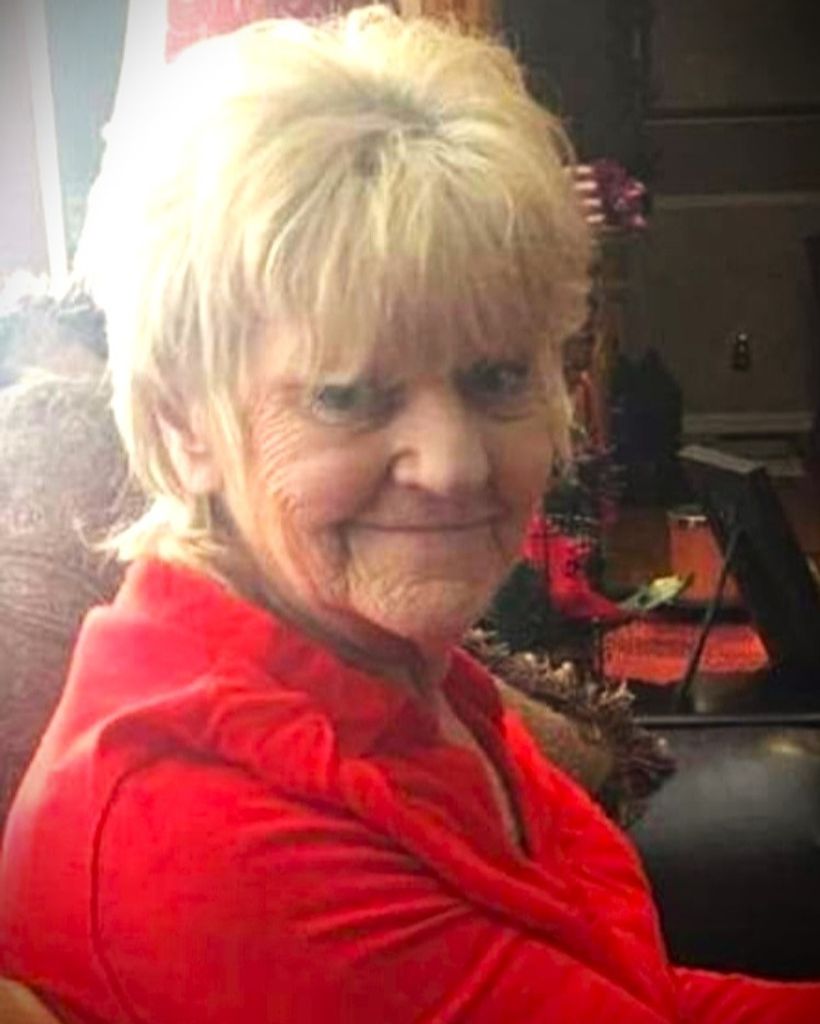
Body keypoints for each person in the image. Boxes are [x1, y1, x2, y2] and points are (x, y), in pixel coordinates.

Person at [0, 7, 817, 1021]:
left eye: (497, 376)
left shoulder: (366, 661)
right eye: (347, 395)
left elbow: (627, 991)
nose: (454, 464)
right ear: (182, 425)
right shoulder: (206, 832)